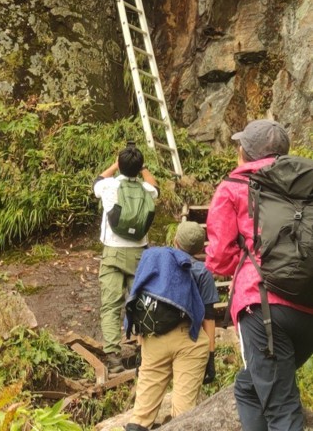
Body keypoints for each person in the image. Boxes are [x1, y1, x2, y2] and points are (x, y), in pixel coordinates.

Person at [206, 119, 313, 431]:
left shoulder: (234, 187)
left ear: (246, 153)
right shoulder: (306, 187)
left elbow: (220, 260)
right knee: (249, 387)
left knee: (282, 410)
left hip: (263, 307)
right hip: (307, 305)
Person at [124, 222, 218, 431]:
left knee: (141, 415)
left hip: (154, 340)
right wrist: (210, 356)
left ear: (175, 241)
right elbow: (208, 318)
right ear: (201, 249)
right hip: (189, 342)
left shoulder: (155, 263)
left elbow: (141, 304)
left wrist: (141, 347)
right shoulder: (202, 272)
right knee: (183, 415)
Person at [93, 145, 159, 374]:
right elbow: (155, 186)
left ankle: (113, 357)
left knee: (111, 305)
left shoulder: (109, 186)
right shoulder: (146, 189)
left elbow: (98, 180)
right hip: (139, 255)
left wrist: (116, 164)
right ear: (139, 168)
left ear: (120, 165)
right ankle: (145, 353)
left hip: (112, 252)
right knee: (141, 304)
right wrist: (144, 168)